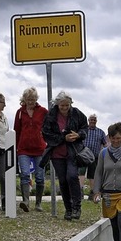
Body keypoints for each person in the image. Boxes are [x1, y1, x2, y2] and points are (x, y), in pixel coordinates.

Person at [40, 91, 88, 220]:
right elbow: (46, 134)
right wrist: (63, 138)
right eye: (62, 106)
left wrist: (78, 135)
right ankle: (68, 209)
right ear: (57, 105)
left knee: (72, 176)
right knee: (63, 180)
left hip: (73, 152)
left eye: (67, 105)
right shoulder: (51, 115)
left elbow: (85, 128)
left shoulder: (77, 113)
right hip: (57, 153)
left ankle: (77, 208)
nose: (65, 108)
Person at [14, 87, 48, 212]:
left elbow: (49, 126)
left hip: (39, 148)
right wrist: (16, 148)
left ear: (36, 99)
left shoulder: (43, 111)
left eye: (33, 99)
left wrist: (47, 140)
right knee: (24, 174)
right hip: (23, 149)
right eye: (28, 99)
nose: (30, 102)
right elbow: (17, 131)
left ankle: (38, 203)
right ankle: (26, 201)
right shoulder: (19, 112)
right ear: (24, 99)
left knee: (40, 177)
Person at [78, 114, 107, 200]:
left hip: (94, 156)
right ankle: (80, 191)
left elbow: (105, 144)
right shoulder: (83, 130)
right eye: (91, 120)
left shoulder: (101, 132)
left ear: (96, 121)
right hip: (83, 155)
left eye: (94, 120)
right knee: (81, 173)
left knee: (92, 175)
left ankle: (92, 192)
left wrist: (108, 152)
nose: (92, 121)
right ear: (88, 120)